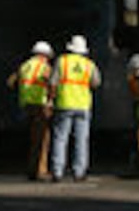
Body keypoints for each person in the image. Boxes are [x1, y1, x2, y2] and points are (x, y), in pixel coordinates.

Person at [48, 34, 101, 183]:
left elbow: (53, 83)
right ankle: (79, 172)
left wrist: (50, 100)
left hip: (64, 103)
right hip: (83, 105)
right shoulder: (89, 65)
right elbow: (96, 82)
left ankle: (57, 171)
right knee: (81, 140)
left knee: (60, 138)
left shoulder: (61, 62)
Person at [6, 40, 54, 180]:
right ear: (44, 55)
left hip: (27, 105)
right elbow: (51, 84)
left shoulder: (24, 66)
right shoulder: (44, 67)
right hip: (40, 104)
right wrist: (50, 100)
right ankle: (41, 171)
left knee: (33, 139)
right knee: (43, 140)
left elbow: (10, 82)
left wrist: (25, 91)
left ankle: (32, 169)